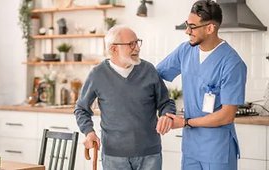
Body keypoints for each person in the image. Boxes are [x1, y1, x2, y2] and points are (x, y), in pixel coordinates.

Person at [156, 0, 247, 170]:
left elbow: (227, 115)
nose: (187, 31)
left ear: (210, 28)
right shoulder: (185, 51)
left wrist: (185, 122)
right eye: (186, 24)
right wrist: (165, 108)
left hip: (217, 150)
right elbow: (155, 76)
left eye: (192, 26)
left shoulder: (232, 63)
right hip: (191, 148)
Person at [75, 25, 176, 170]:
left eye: (137, 42)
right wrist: (89, 131)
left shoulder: (148, 70)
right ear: (113, 49)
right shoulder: (98, 74)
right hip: (113, 157)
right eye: (131, 44)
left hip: (150, 155)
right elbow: (81, 108)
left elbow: (166, 102)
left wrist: (166, 115)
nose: (137, 48)